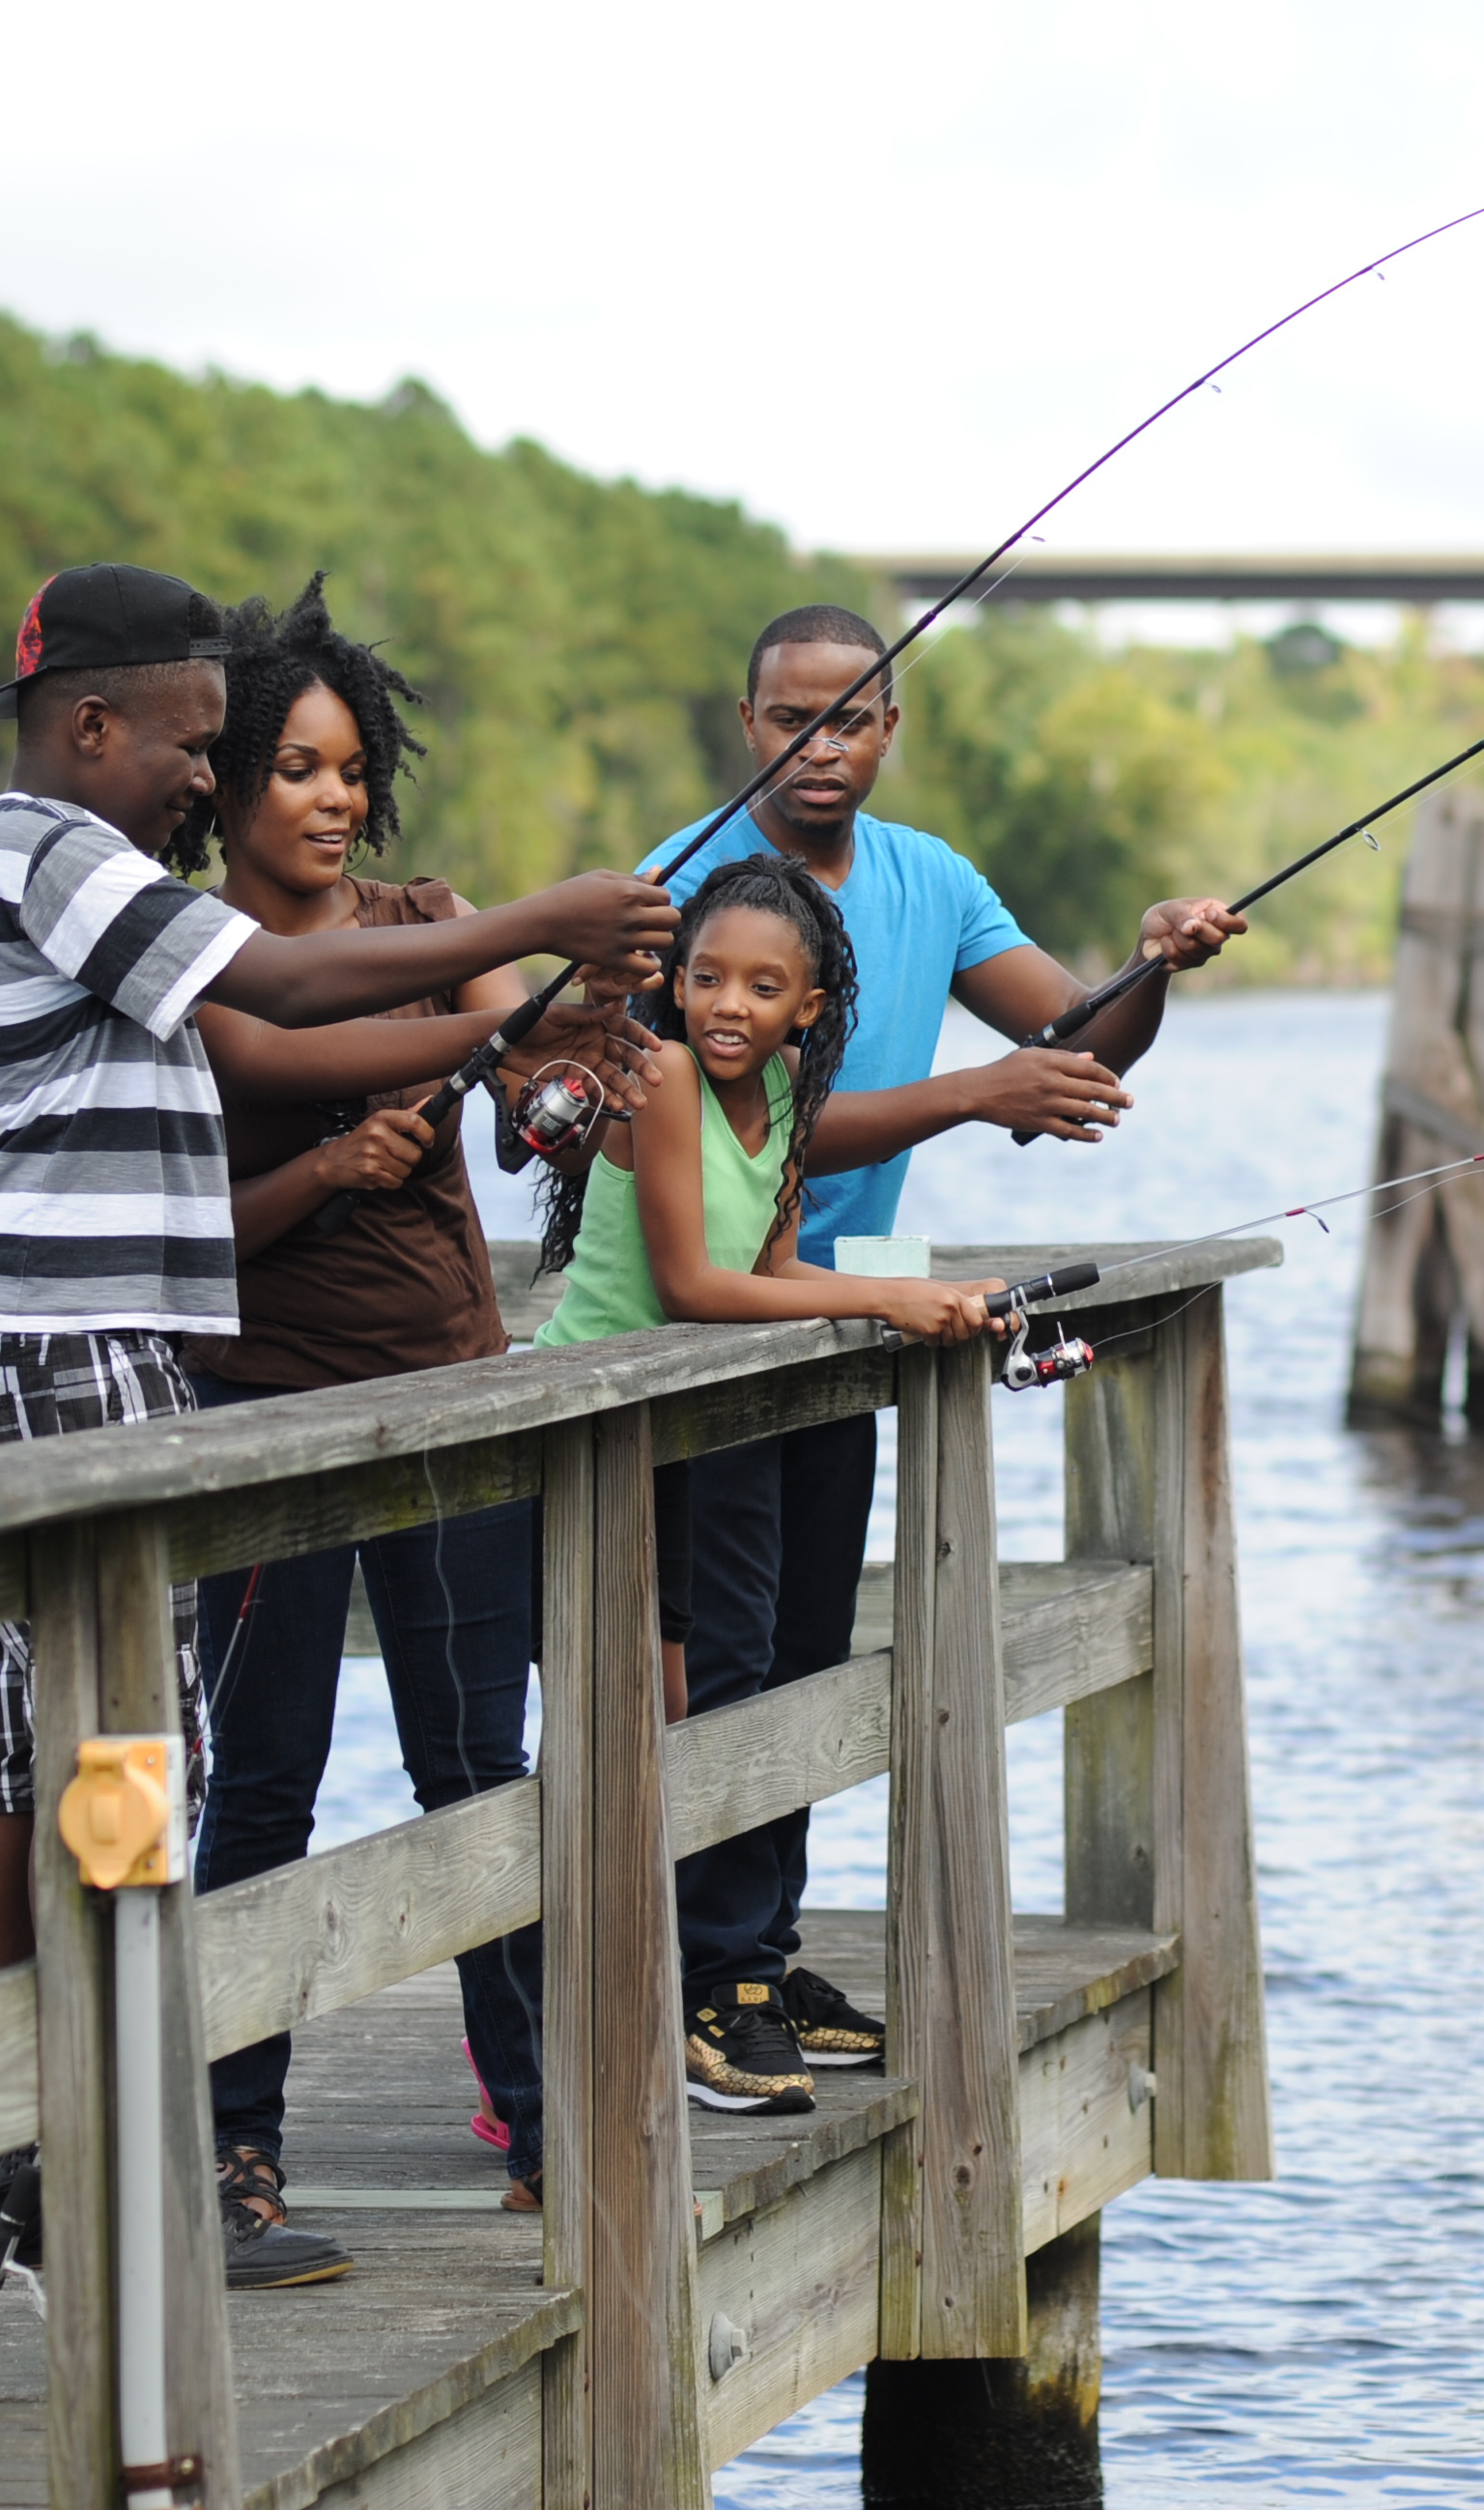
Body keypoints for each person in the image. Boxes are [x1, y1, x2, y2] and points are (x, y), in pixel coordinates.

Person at [0, 560, 671, 2291]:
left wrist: (505, 1005)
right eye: (194, 745)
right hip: (56, 1336)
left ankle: (5, 2155)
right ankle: (82, 2157)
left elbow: (303, 1023)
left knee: (43, 1735)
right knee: (103, 1749)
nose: (209, 778)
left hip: (76, 1337)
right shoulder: (43, 850)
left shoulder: (44, 859)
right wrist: (534, 924)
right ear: (90, 724)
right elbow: (289, 994)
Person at [626, 603, 1241, 2089]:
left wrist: (1152, 962)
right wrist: (973, 1096)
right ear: (745, 719)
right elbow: (724, 1116)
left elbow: (1077, 1040)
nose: (819, 746)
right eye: (789, 716)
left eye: (850, 718)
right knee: (724, 1656)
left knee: (813, 1647)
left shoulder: (931, 877)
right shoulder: (682, 888)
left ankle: (755, 1957)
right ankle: (700, 1973)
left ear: (891, 728)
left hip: (851, 1312)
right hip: (702, 1326)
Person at [173, 575, 650, 2235]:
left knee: (477, 1770)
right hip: (264, 1426)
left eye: (349, 765)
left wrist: (572, 1084)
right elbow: (184, 1239)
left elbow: (536, 1077)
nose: (332, 797)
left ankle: (537, 2124)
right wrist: (324, 1173)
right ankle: (238, 2143)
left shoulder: (416, 921)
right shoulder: (191, 969)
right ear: (220, 785)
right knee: (261, 1792)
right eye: (295, 768)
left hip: (452, 1406)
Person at [528, 852, 1003, 2114]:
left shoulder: (787, 1088)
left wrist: (913, 1303)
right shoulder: (666, 1076)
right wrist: (888, 1292)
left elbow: (775, 1263)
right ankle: (709, 1991)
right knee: (700, 1697)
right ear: (674, 986)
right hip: (610, 1424)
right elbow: (693, 1285)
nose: (729, 1003)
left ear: (806, 1008)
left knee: (777, 1672)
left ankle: (746, 1964)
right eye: (707, 977)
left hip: (709, 1416)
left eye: (763, 985)